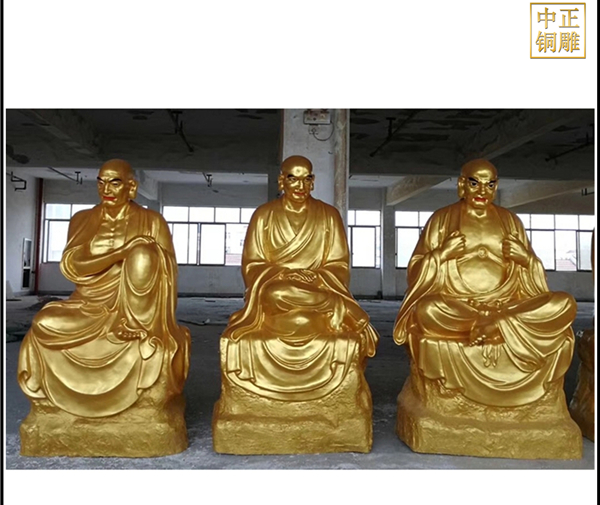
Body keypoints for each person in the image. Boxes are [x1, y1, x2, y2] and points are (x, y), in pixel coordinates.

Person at [393, 158, 576, 406]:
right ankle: (491, 325)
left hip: (507, 305)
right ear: (461, 184)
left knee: (565, 303)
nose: (482, 191)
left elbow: (535, 280)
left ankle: (495, 324)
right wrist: (442, 255)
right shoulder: (442, 219)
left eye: (489, 185)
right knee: (427, 310)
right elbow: (415, 270)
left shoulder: (510, 221)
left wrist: (526, 259)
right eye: (475, 183)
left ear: (496, 186)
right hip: (460, 305)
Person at [18, 159, 190, 418]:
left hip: (135, 311)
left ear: (131, 187)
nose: (106, 189)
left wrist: (140, 256)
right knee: (43, 322)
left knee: (144, 254)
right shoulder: (82, 219)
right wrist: (119, 254)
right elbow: (73, 265)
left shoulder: (152, 221)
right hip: (87, 304)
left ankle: (133, 326)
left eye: (115, 183)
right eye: (101, 182)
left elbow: (168, 273)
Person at [221, 155, 378, 401]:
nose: (300, 186)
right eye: (293, 179)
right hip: (278, 292)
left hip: (316, 288)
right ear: (281, 181)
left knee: (301, 317)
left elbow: (339, 264)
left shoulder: (329, 215)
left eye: (306, 179)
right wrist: (284, 273)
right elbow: (252, 264)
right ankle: (337, 306)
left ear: (313, 181)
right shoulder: (264, 215)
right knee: (277, 292)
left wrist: (315, 277)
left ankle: (329, 303)